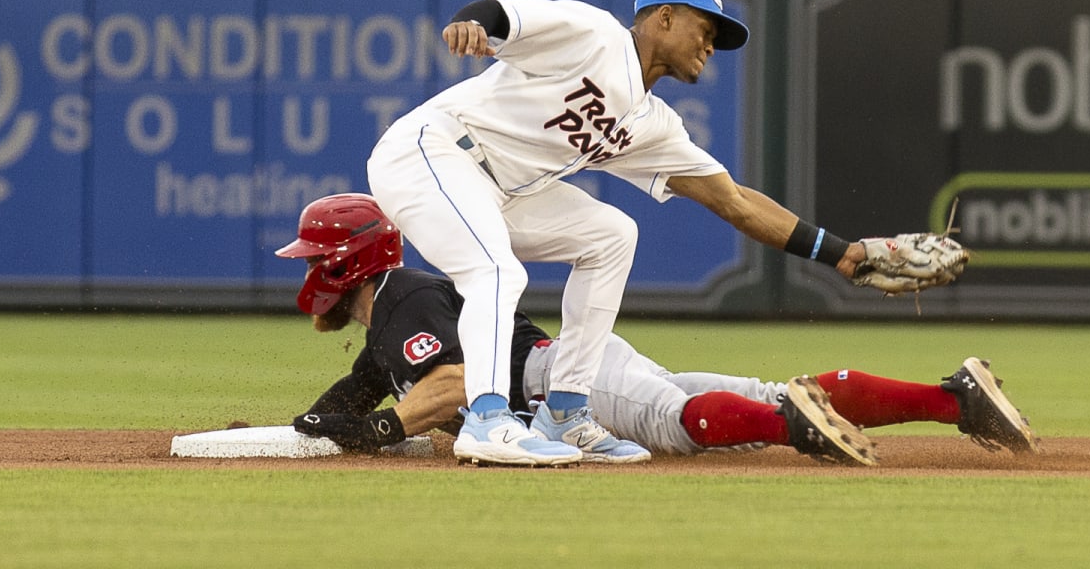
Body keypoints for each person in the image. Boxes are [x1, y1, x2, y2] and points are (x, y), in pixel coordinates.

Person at [362, 0, 968, 466]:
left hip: (502, 190)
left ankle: (567, 411)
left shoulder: (652, 125)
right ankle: (488, 419)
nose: (711, 45)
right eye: (706, 29)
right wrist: (473, 21)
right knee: (495, 272)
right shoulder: (594, 35)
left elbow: (734, 200)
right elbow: (501, 14)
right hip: (430, 151)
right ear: (663, 18)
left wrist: (845, 254)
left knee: (611, 234)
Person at [277, 194, 1036, 465]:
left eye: (316, 257)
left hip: (562, 382)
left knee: (681, 422)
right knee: (766, 392)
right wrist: (310, 428)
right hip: (582, 365)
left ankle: (788, 426)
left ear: (349, 265)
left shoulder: (403, 296)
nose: (308, 273)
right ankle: (954, 400)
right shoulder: (389, 322)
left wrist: (379, 432)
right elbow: (357, 392)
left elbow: (447, 385)